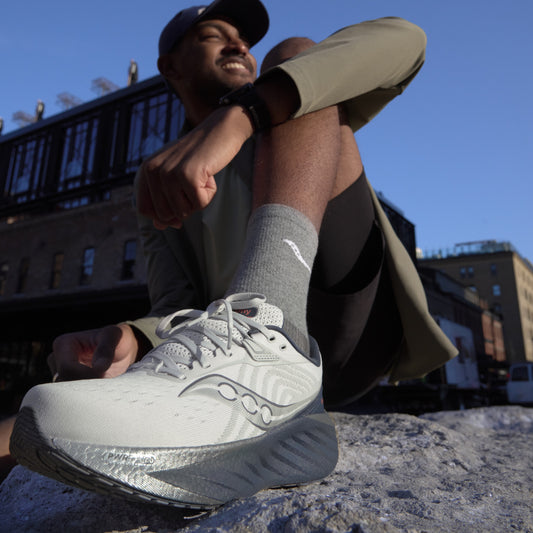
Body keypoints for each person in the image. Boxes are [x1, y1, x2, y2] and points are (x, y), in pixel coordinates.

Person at [9, 0, 457, 508]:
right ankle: (276, 406)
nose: (239, 45)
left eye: (242, 38)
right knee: (34, 423)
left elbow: (408, 40)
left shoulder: (277, 93)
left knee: (295, 56)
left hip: (350, 328)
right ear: (170, 68)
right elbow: (173, 303)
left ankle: (275, 330)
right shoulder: (158, 177)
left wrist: (245, 113)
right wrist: (134, 336)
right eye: (213, 35)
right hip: (230, 362)